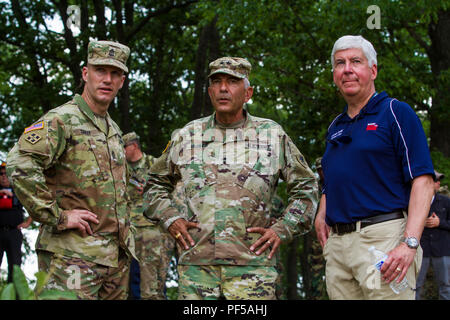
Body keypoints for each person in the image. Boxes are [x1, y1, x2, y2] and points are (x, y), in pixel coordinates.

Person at [144, 56, 318, 300]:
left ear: (248, 93)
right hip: (197, 270)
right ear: (209, 91)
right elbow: (153, 185)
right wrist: (170, 218)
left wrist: (283, 228)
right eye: (217, 82)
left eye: (232, 82)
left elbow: (307, 187)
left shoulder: (271, 135)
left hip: (253, 271)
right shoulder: (188, 135)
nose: (223, 88)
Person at [6, 40, 136, 300]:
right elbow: (20, 164)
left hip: (114, 262)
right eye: (100, 71)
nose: (107, 79)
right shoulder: (62, 119)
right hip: (72, 258)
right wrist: (58, 216)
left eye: (114, 73)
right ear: (86, 74)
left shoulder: (113, 130)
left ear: (122, 81)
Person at [314, 35, 435, 300]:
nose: (347, 69)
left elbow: (423, 181)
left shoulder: (395, 112)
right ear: (334, 73)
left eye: (355, 61)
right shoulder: (336, 126)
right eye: (339, 63)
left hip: (383, 241)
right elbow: (333, 175)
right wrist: (322, 212)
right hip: (338, 246)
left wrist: (410, 243)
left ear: (373, 70)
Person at [123, 132, 175, 300]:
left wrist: (150, 189)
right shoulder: (119, 168)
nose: (121, 151)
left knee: (153, 285)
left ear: (134, 146)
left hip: (153, 233)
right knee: (127, 284)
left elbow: (174, 193)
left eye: (124, 147)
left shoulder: (154, 165)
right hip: (127, 232)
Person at [416, 170, 450, 300]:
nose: (438, 183)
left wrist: (440, 222)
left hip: (442, 250)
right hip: (421, 250)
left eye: (438, 181)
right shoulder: (414, 201)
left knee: (445, 286)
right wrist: (419, 222)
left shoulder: (446, 202)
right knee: (416, 285)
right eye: (435, 180)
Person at [0, 161, 32, 283]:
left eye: (6, 173)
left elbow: (34, 205)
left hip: (14, 232)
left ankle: (13, 293)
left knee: (15, 266)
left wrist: (28, 222)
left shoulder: (19, 191)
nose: (3, 176)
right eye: (1, 173)